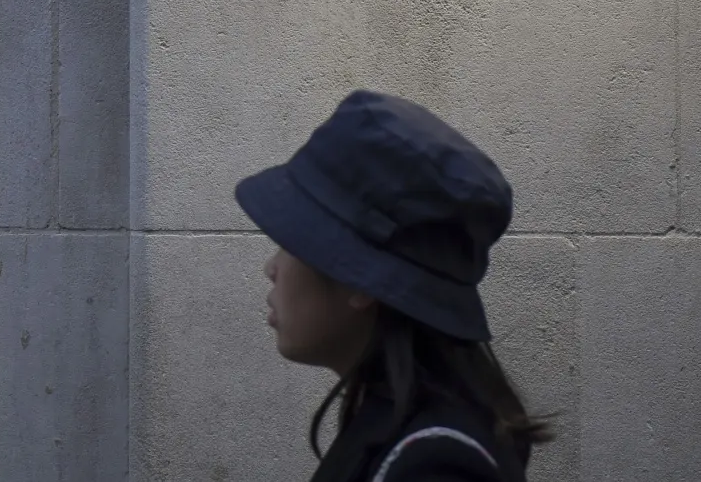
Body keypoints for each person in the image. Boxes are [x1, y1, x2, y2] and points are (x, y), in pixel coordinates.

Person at [236, 90, 552, 482]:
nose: (272, 267)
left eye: (292, 240)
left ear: (360, 281)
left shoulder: (434, 466)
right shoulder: (404, 421)